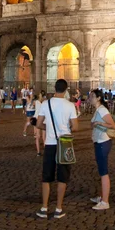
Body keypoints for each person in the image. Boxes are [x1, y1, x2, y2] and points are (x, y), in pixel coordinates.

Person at [36, 78, 78, 219]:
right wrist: (65, 128)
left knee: (46, 177)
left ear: (54, 88)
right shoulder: (70, 105)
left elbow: (39, 124)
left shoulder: (46, 104)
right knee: (62, 177)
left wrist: (48, 129)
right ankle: (59, 208)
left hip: (50, 144)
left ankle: (44, 207)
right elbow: (75, 127)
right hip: (64, 144)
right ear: (66, 90)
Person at [89, 88, 115, 210]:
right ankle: (102, 196)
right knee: (101, 171)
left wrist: (99, 124)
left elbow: (112, 125)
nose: (90, 99)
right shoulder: (98, 110)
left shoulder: (102, 110)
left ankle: (105, 201)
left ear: (98, 98)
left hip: (103, 142)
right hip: (99, 141)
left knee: (103, 172)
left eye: (92, 96)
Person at [34, 91, 46, 156]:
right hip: (44, 120)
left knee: (37, 136)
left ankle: (38, 152)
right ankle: (46, 151)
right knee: (44, 137)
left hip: (38, 119)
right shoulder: (45, 102)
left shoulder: (36, 102)